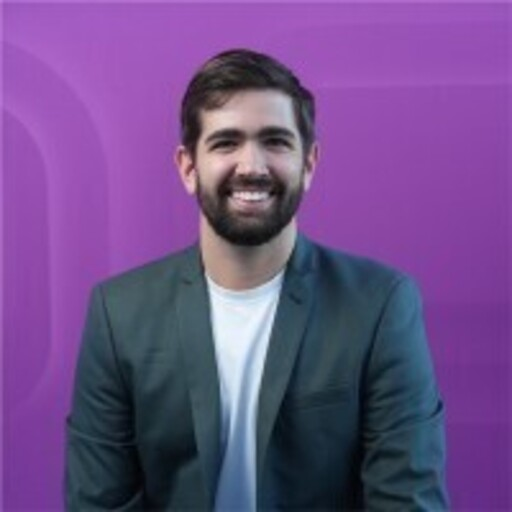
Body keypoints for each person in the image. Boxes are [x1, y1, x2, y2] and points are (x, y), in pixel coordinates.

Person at [65, 48, 449, 511]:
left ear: (309, 164)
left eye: (276, 141)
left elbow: (406, 500)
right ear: (188, 167)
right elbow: (98, 503)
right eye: (226, 142)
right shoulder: (118, 314)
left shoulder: (379, 306)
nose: (252, 166)